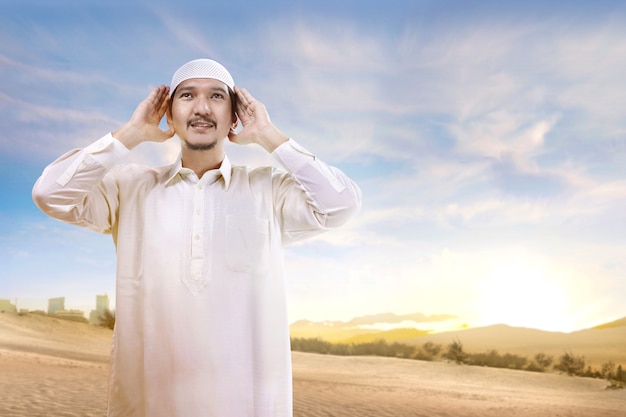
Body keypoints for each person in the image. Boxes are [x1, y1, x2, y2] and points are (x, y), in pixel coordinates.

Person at [32, 59, 361, 417]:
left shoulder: (268, 189)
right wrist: (131, 133)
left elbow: (340, 203)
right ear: (169, 116)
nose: (202, 107)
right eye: (187, 95)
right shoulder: (130, 186)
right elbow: (50, 194)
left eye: (217, 96)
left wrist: (269, 136)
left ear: (234, 116)